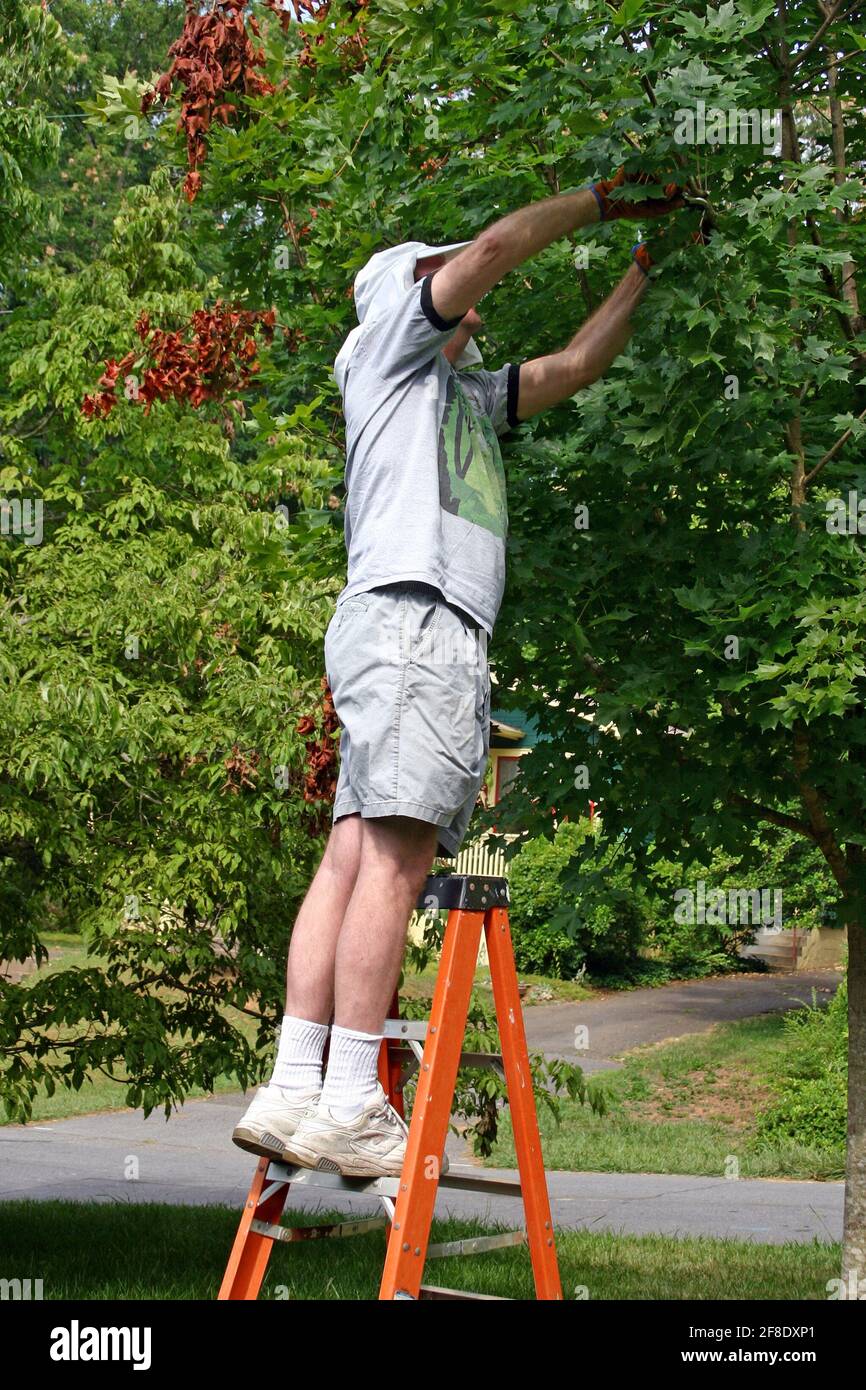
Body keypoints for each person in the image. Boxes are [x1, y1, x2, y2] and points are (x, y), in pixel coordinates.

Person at [232, 169, 684, 1177]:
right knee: (392, 860)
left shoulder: (460, 398)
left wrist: (642, 267)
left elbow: (569, 365)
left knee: (349, 859)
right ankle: (349, 1095)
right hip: (414, 624)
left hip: (397, 629)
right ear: (407, 292)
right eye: (437, 275)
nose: (466, 286)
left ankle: (296, 1085)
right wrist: (602, 201)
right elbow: (484, 254)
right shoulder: (387, 349)